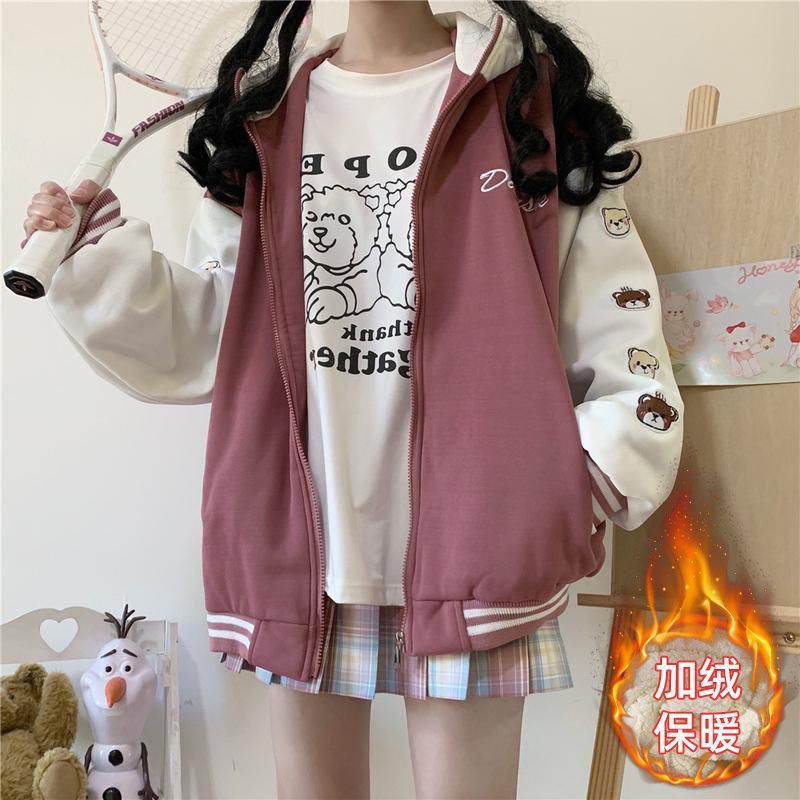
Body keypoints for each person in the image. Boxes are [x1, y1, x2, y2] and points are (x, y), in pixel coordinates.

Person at [21, 1, 684, 797]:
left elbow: (617, 325)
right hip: (303, 554)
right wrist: (92, 261)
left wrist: (574, 489)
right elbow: (215, 337)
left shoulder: (528, 105)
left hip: (480, 546)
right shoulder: (267, 120)